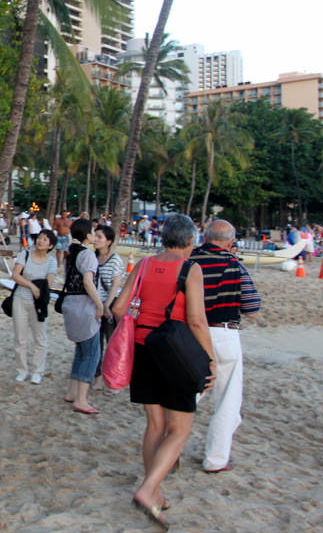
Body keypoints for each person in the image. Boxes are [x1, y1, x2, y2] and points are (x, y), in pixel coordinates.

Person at [111, 213, 214, 529]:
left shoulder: (143, 265)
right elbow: (196, 320)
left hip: (143, 349)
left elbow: (117, 308)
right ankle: (146, 490)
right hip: (175, 354)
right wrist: (210, 360)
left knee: (155, 425)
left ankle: (155, 491)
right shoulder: (189, 268)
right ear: (190, 241)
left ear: (163, 237)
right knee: (179, 430)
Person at [188, 219, 261, 475]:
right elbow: (252, 309)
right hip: (223, 332)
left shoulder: (189, 260)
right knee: (227, 400)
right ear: (231, 242)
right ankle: (216, 459)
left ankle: (168, 444)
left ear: (204, 237)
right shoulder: (234, 264)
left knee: (189, 392)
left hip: (190, 332)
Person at [60, 218, 106, 413]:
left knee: (81, 351)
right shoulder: (87, 255)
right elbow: (88, 282)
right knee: (91, 354)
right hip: (83, 306)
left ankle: (72, 392)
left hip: (70, 304)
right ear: (87, 235)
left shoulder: (70, 254)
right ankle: (81, 398)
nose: (94, 236)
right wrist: (100, 305)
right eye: (93, 233)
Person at [9, 229, 57, 385]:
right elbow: (15, 275)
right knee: (20, 338)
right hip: (20, 299)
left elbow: (49, 283)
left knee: (40, 338)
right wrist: (32, 286)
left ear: (50, 245)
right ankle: (22, 370)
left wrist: (39, 289)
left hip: (38, 303)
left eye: (45, 240)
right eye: (39, 238)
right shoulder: (25, 255)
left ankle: (37, 371)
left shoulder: (51, 261)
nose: (40, 241)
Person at [91, 225, 125, 394]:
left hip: (109, 305)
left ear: (108, 241)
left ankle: (113, 381)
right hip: (94, 305)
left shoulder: (115, 259)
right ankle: (96, 378)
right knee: (96, 344)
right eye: (95, 236)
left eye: (99, 237)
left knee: (112, 343)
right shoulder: (92, 258)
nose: (95, 239)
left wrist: (106, 305)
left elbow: (116, 284)